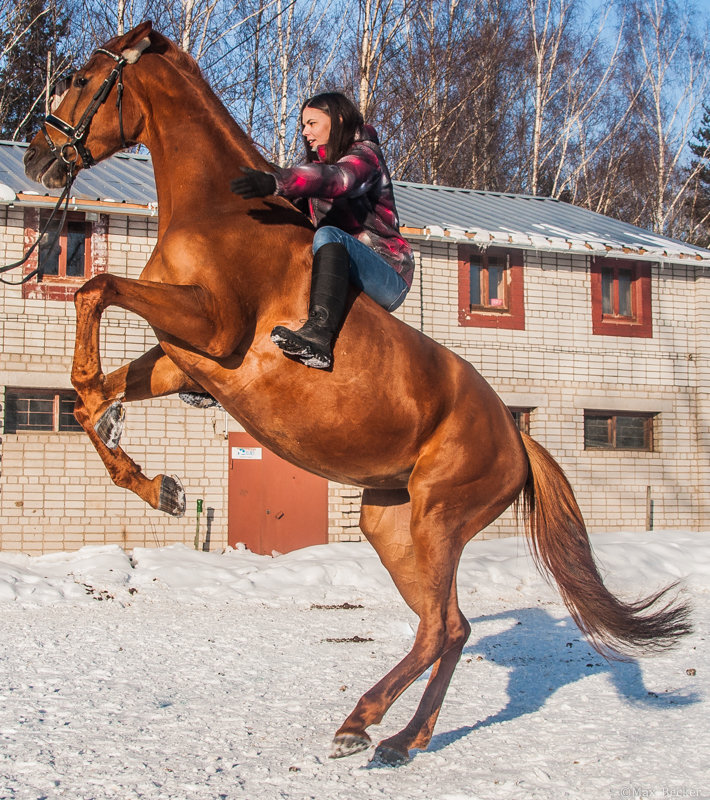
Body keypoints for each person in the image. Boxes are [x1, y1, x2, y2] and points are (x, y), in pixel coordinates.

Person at [230, 92, 414, 369]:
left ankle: (319, 337)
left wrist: (277, 181)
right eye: (303, 126)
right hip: (346, 269)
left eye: (312, 123)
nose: (305, 133)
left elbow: (339, 180)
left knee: (327, 235)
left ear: (337, 119)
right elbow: (296, 200)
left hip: (388, 274)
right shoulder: (317, 172)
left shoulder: (366, 156)